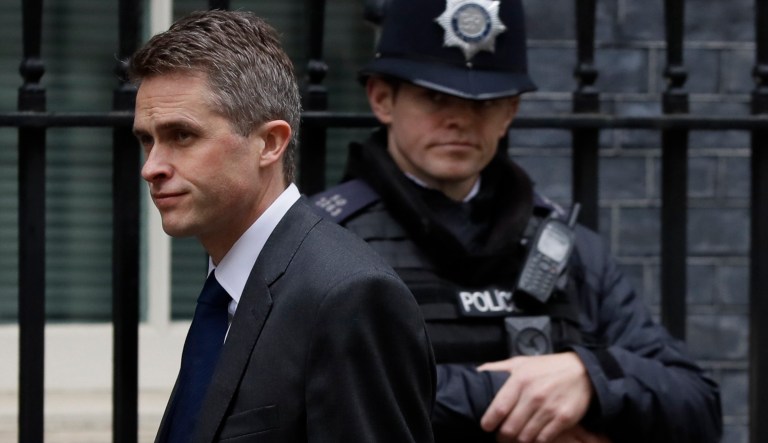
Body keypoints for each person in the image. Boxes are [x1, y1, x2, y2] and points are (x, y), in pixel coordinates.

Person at [309, 0, 723, 442]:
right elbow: (314, 398)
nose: (460, 119)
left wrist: (587, 377)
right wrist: (535, 401)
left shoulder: (566, 245)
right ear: (382, 99)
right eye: (435, 97)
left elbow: (696, 403)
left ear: (510, 113)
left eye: (485, 102)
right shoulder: (321, 242)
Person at [129, 10, 435, 443]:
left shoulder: (348, 295)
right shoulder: (232, 285)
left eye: (182, 136)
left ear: (269, 143)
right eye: (147, 139)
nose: (152, 167)